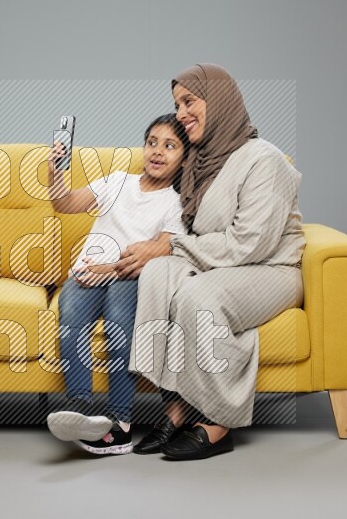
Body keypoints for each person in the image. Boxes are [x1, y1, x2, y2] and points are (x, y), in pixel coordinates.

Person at [123, 64, 305, 460]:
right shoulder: (201, 161)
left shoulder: (264, 159)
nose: (182, 113)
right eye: (177, 104)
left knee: (199, 297)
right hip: (219, 262)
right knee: (157, 274)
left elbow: (250, 244)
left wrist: (172, 247)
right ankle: (176, 405)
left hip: (269, 269)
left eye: (189, 101)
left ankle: (220, 421)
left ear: (219, 100)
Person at [45, 114, 189, 455]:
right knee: (71, 313)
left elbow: (159, 249)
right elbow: (64, 203)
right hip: (89, 272)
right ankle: (81, 408)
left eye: (170, 146)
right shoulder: (117, 181)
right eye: (152, 142)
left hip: (131, 276)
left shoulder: (177, 203)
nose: (157, 151)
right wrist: (54, 172)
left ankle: (120, 423)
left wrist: (109, 269)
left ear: (184, 158)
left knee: (120, 320)